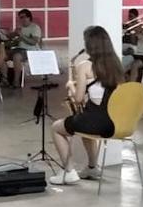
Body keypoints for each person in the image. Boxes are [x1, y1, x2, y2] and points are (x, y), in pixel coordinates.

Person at [47, 26, 125, 186]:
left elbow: (78, 99)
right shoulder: (116, 65)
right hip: (115, 122)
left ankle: (68, 171)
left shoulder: (84, 66)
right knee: (85, 127)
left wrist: (71, 86)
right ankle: (92, 167)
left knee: (56, 128)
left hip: (98, 122)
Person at [7, 9, 43, 87]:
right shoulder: (20, 27)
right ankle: (4, 79)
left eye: (23, 17)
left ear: (29, 17)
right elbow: (10, 38)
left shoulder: (35, 27)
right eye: (20, 17)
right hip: (19, 49)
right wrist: (13, 34)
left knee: (16, 57)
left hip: (31, 51)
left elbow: (33, 42)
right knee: (3, 54)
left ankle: (16, 81)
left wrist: (21, 35)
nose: (22, 19)